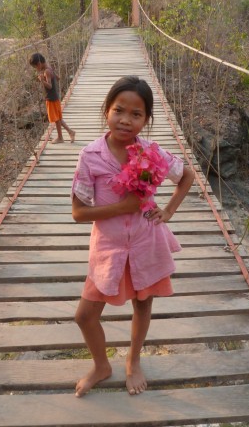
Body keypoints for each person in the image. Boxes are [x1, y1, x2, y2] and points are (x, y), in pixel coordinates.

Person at [71, 76, 194, 398]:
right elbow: (78, 213)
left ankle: (133, 361)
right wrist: (123, 206)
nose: (126, 119)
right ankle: (101, 365)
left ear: (146, 119)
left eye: (136, 114)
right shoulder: (90, 156)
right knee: (84, 316)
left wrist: (167, 211)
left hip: (145, 240)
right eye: (119, 110)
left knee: (142, 304)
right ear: (106, 111)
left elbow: (187, 175)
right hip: (109, 246)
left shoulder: (152, 152)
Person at [29, 52, 75, 143]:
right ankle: (67, 134)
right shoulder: (49, 68)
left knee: (56, 119)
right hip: (54, 97)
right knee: (58, 118)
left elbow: (49, 86)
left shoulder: (46, 71)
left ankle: (63, 136)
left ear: (38, 64)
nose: (36, 69)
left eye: (35, 67)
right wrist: (52, 77)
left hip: (51, 98)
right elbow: (57, 77)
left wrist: (42, 81)